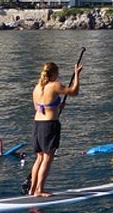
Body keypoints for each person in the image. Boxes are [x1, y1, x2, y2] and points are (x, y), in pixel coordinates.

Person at [28, 60, 81, 197]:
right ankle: (39, 190)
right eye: (57, 73)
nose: (58, 76)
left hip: (37, 125)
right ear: (54, 74)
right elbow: (74, 92)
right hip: (49, 125)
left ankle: (32, 189)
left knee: (39, 157)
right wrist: (76, 74)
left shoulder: (37, 88)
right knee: (47, 158)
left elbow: (38, 107)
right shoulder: (55, 85)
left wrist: (56, 107)